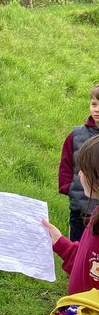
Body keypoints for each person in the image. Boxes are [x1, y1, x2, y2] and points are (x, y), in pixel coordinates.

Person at [44, 135, 99, 296]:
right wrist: (60, 243)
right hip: (79, 313)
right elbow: (88, 263)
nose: (80, 174)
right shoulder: (96, 215)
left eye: (85, 170)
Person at [58, 84, 99, 241]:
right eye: (94, 104)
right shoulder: (76, 135)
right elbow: (66, 164)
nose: (96, 109)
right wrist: (68, 188)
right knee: (77, 251)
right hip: (80, 209)